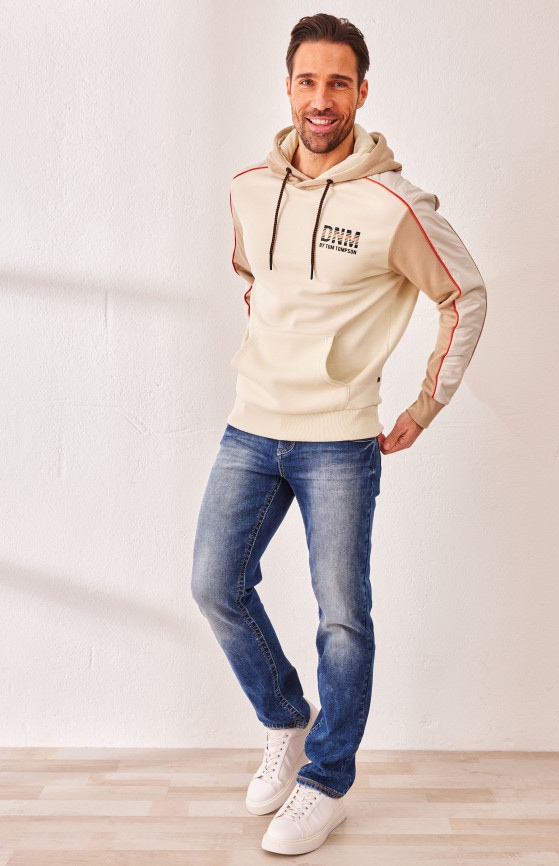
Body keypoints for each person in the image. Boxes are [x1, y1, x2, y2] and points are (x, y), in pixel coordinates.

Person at [191, 13, 486, 856]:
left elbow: (466, 295)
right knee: (214, 584)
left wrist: (426, 402)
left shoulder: (396, 205)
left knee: (343, 619)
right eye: (308, 81)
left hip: (339, 441)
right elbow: (255, 278)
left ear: (361, 92)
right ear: (288, 87)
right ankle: (285, 717)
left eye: (338, 83)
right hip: (250, 426)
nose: (321, 99)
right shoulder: (248, 188)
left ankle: (325, 783)